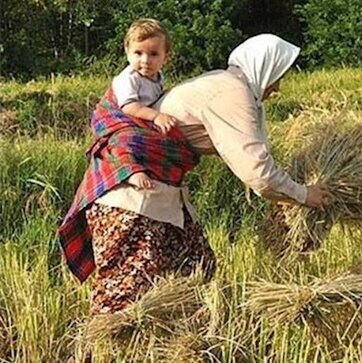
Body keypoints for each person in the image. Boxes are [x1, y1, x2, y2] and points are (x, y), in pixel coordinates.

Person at [58, 34, 328, 323]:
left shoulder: (228, 85)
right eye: (278, 77)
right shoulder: (231, 92)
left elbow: (250, 155)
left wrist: (286, 193)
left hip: (161, 196)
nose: (277, 88)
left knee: (196, 273)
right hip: (132, 201)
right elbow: (258, 171)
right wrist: (303, 195)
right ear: (265, 68)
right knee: (123, 306)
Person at [112, 18, 178, 190]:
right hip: (125, 120)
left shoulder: (157, 76)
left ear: (166, 56)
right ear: (127, 52)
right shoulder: (129, 78)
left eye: (154, 54)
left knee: (163, 142)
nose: (146, 60)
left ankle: (156, 170)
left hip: (143, 120)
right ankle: (131, 172)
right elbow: (129, 107)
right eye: (138, 53)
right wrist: (156, 116)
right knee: (124, 141)